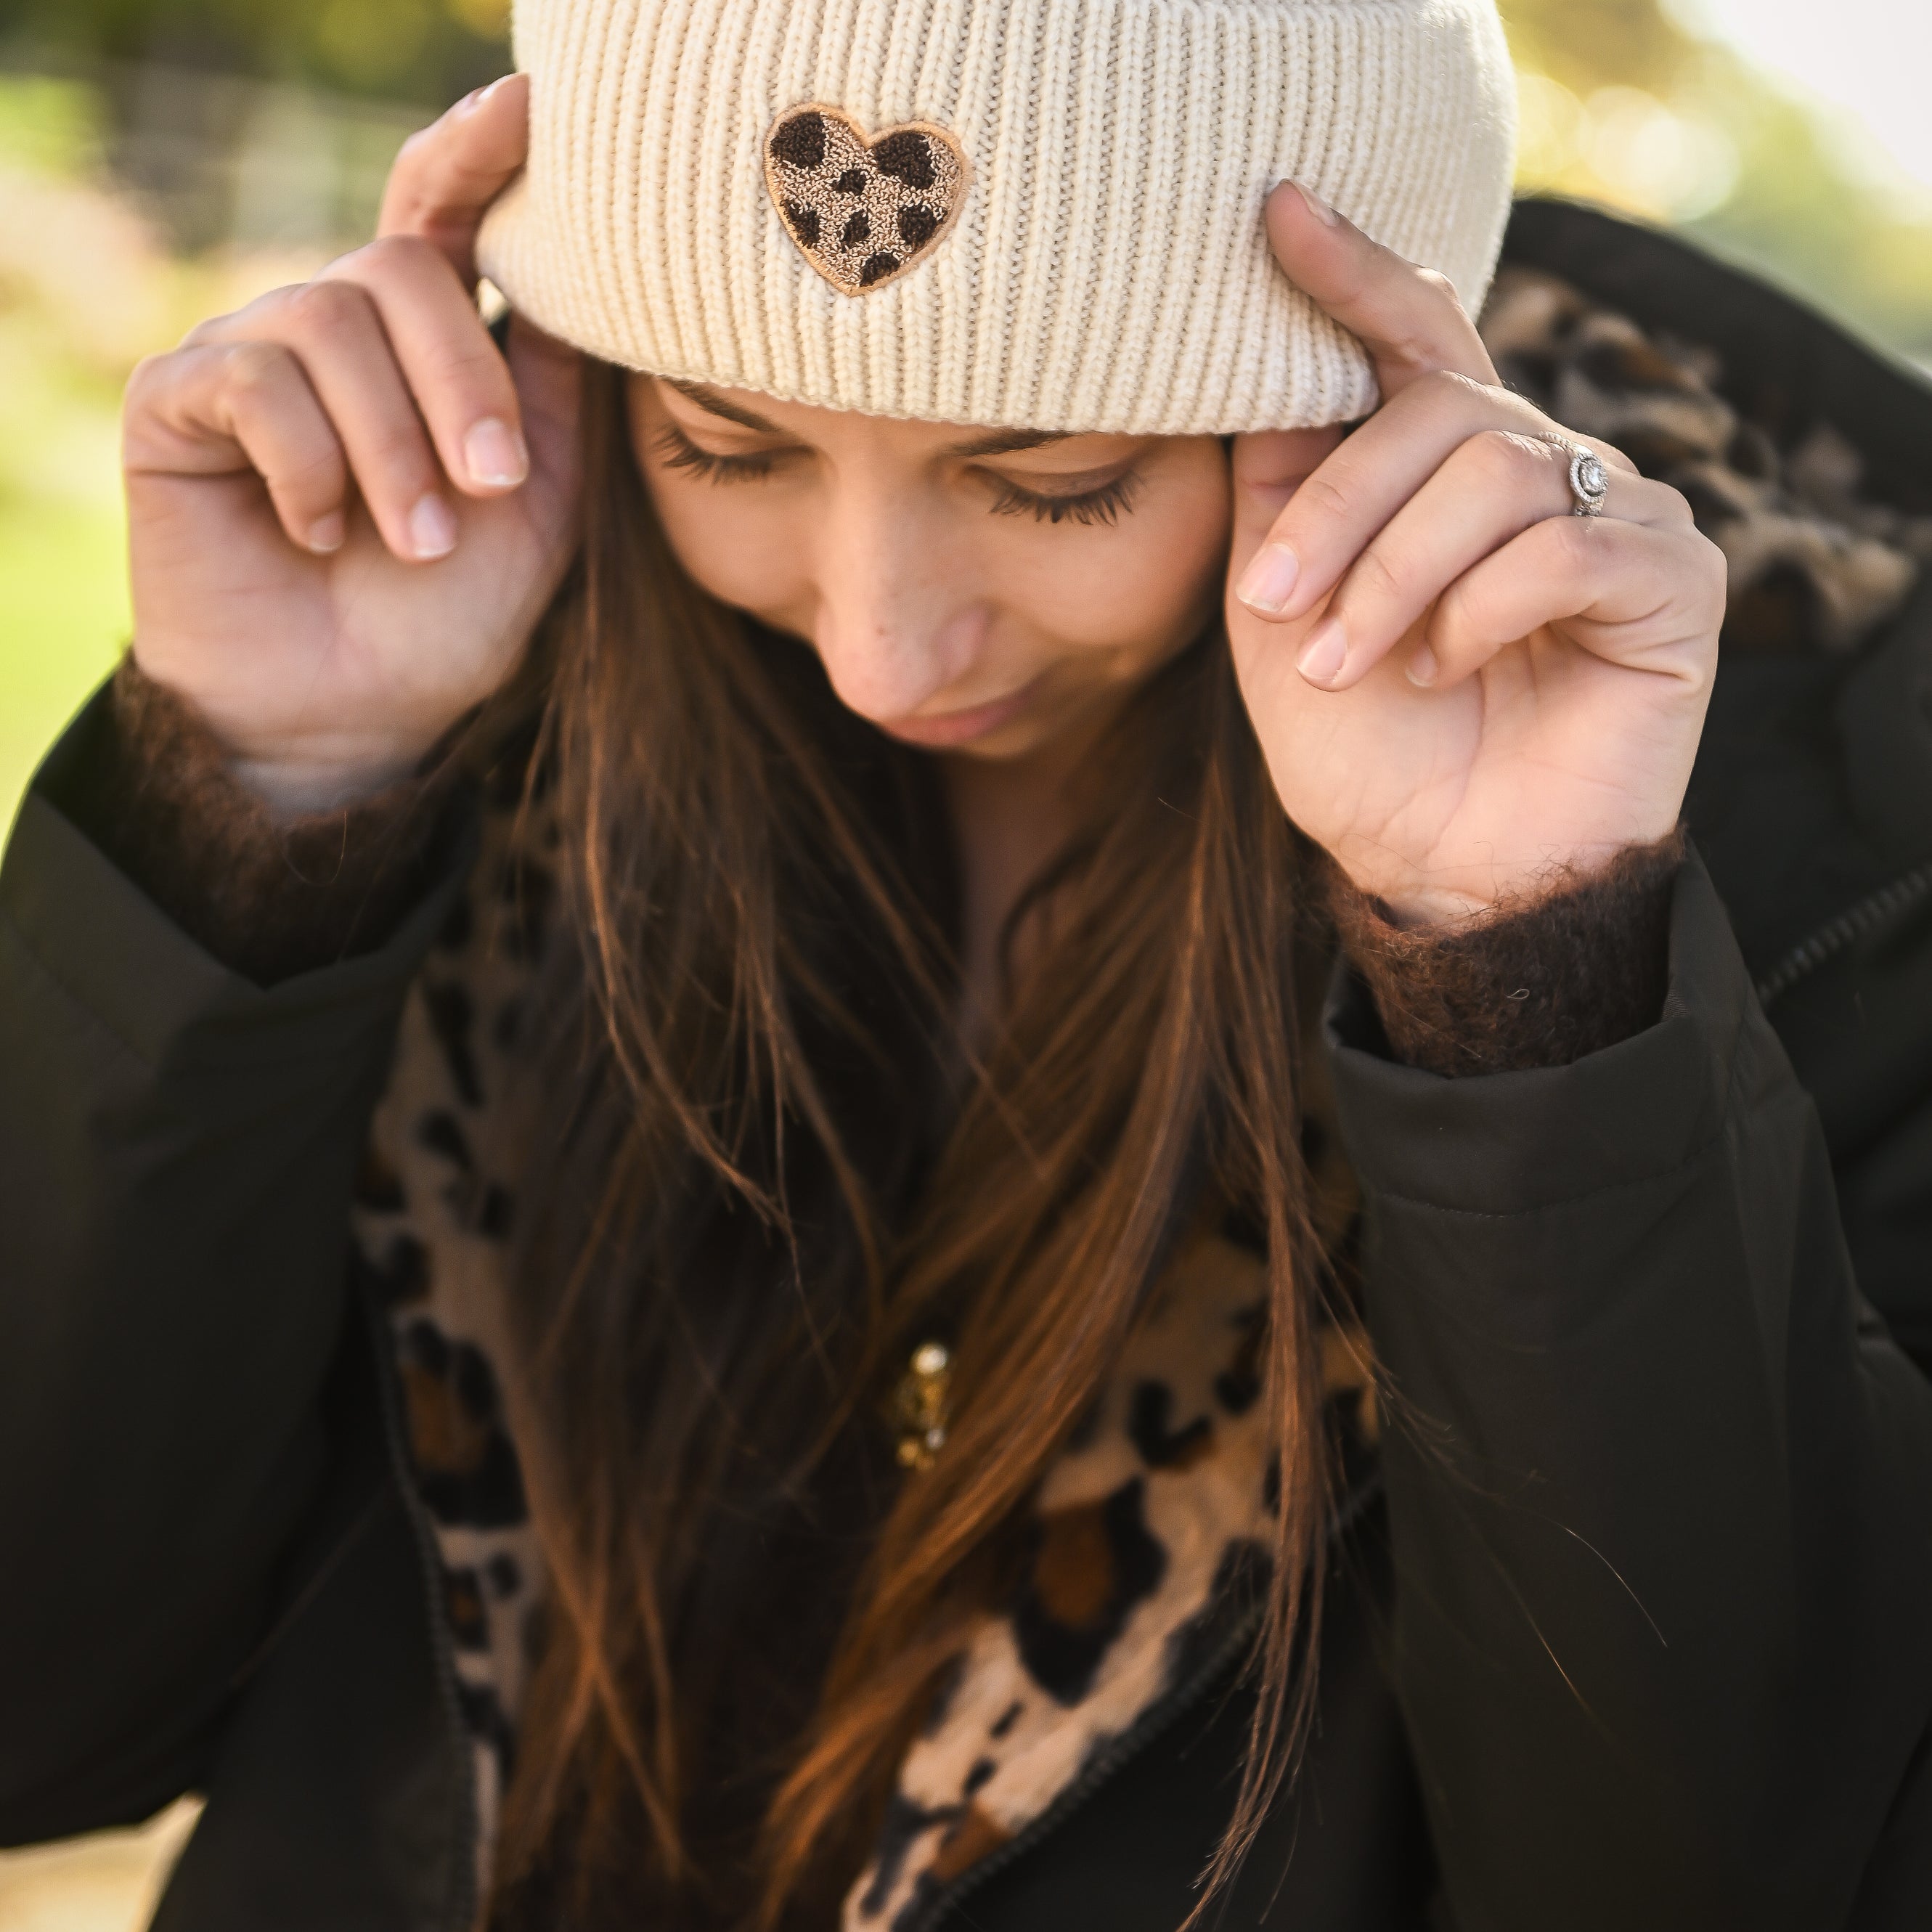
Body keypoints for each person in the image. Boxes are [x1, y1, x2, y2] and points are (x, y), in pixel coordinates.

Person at [3, 0, 1931, 1925]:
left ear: (1365, 399)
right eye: (728, 444)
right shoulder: (478, 664)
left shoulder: (1809, 885)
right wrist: (251, 803)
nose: (880, 652)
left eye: (1053, 478)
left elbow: (1722, 1873)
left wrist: (1535, 978)